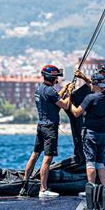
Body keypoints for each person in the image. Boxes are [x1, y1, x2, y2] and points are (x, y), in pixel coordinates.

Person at [24, 65, 73, 198]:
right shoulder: (50, 91)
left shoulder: (40, 89)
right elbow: (65, 105)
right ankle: (43, 189)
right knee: (47, 159)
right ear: (52, 78)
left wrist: (65, 90)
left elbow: (55, 98)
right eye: (56, 76)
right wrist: (71, 93)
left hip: (40, 126)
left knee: (34, 155)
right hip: (50, 128)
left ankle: (24, 182)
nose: (57, 78)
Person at [70, 73, 105, 186]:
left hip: (90, 134)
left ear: (96, 84)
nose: (91, 86)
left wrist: (68, 99)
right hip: (103, 134)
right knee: (100, 163)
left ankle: (91, 188)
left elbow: (76, 113)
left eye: (92, 84)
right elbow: (95, 86)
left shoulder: (90, 98)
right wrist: (84, 77)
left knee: (90, 163)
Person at [76, 63, 105, 149]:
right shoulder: (102, 87)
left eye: (102, 74)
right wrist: (83, 77)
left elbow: (104, 101)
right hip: (97, 123)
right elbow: (95, 85)